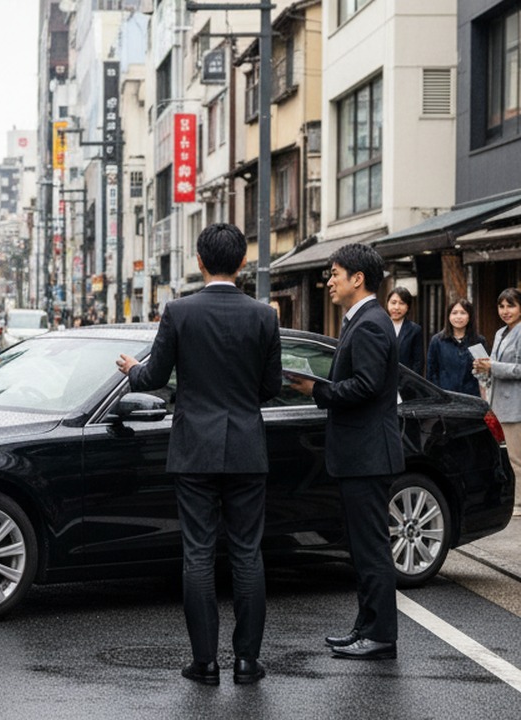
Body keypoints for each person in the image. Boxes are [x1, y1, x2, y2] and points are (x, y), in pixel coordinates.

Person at [116, 223, 281, 686]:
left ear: (200, 261)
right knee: (248, 553)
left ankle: (204, 663)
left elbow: (153, 378)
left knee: (198, 554)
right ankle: (248, 662)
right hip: (247, 445)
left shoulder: (179, 311)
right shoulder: (264, 316)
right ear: (243, 263)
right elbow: (271, 387)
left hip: (194, 449)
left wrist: (133, 370)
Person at [288, 243, 404, 661]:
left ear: (358, 278)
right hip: (361, 454)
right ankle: (366, 627)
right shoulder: (363, 320)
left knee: (371, 548)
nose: (330, 281)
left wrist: (316, 388)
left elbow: (367, 386)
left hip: (368, 455)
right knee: (361, 547)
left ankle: (380, 636)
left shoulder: (370, 323)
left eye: (335, 273)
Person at [473, 288, 521, 515]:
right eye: (501, 306)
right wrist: (482, 368)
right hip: (498, 402)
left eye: (510, 305)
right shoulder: (501, 333)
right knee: (503, 457)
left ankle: (519, 502)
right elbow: (493, 367)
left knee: (516, 458)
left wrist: (493, 366)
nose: (505, 311)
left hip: (516, 404)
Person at [426, 299, 486, 397]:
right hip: (445, 397)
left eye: (463, 313)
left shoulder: (479, 341)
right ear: (449, 316)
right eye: (454, 313)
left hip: (471, 398)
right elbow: (431, 372)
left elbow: (484, 373)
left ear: (469, 317)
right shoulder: (437, 341)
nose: (458, 317)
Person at [387, 287, 424, 375]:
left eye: (401, 303)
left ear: (408, 307)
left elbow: (418, 362)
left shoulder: (415, 330)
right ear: (387, 303)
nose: (396, 307)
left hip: (405, 383)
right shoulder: (378, 326)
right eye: (393, 302)